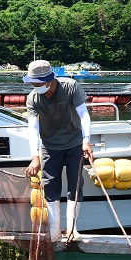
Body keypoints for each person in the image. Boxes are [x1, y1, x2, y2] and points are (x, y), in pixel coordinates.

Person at [23, 59, 93, 242]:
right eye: (32, 82)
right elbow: (33, 128)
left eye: (37, 83)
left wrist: (86, 140)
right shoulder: (33, 98)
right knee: (50, 186)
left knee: (75, 184)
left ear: (48, 80)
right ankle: (54, 229)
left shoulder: (71, 87)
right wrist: (34, 156)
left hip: (74, 143)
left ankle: (71, 227)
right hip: (49, 146)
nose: (33, 86)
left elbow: (84, 114)